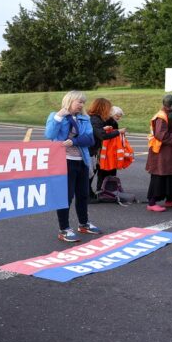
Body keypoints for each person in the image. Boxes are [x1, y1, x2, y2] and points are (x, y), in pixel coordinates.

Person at [45, 91, 101, 243]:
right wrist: (59, 116)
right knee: (66, 197)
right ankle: (64, 229)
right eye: (79, 102)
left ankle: (83, 224)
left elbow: (90, 139)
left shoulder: (85, 118)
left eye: (83, 102)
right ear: (69, 101)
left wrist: (74, 141)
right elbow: (50, 134)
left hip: (81, 160)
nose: (82, 105)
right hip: (64, 161)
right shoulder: (55, 116)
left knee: (83, 195)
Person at [145, 94, 172, 212]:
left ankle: (170, 199)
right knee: (160, 175)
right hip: (162, 152)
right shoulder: (161, 116)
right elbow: (160, 134)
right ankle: (152, 203)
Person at [87, 98, 126, 195]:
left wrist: (104, 129)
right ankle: (89, 193)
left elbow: (96, 131)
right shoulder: (96, 119)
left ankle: (93, 192)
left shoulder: (96, 118)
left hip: (97, 150)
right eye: (108, 108)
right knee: (91, 172)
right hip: (94, 150)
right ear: (102, 108)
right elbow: (102, 135)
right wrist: (118, 132)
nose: (109, 110)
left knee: (93, 171)